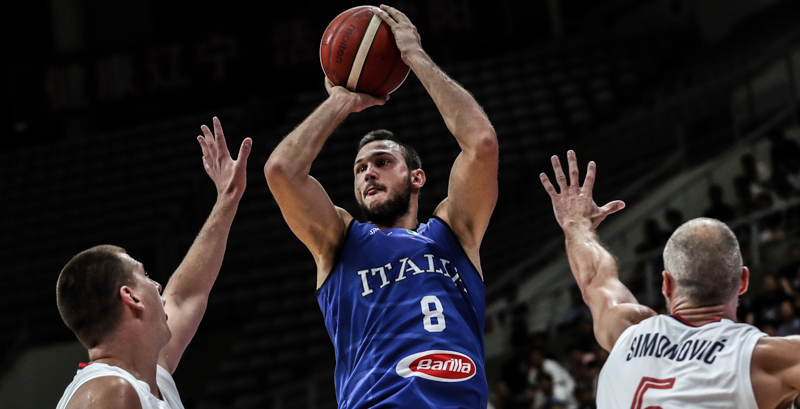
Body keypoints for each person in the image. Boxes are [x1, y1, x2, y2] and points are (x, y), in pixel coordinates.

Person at [264, 5, 498, 408]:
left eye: (383, 162)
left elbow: (482, 145)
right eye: (360, 169)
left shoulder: (454, 232)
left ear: (417, 178)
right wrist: (341, 101)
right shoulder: (340, 240)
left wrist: (416, 59)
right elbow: (282, 171)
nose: (369, 173)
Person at [539, 150, 800, 408]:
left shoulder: (625, 330)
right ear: (743, 282)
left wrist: (576, 223)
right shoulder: (765, 359)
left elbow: (595, 278)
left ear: (666, 284)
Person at [55, 118, 251, 409]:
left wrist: (228, 197)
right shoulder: (110, 392)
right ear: (130, 296)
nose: (158, 285)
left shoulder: (147, 375)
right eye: (144, 275)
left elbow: (185, 295)